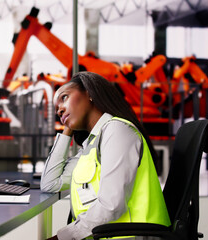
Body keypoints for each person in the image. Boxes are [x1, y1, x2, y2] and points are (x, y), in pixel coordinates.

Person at [40, 71, 170, 240]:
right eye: (57, 109)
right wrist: (67, 130)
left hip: (134, 237)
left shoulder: (117, 131)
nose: (59, 110)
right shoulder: (92, 144)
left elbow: (111, 206)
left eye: (64, 98)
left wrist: (62, 238)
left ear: (90, 94)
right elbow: (50, 183)